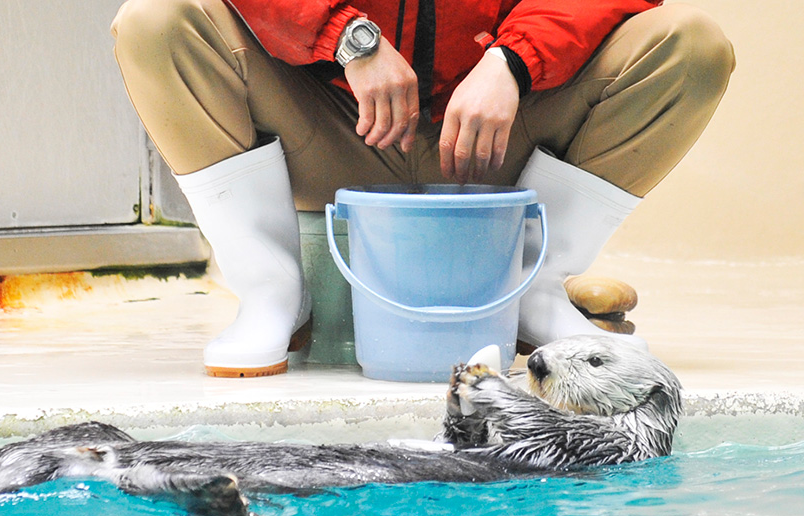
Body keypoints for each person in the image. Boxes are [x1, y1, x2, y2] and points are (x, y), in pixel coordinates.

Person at [111, 0, 734, 378]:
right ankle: (272, 293)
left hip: (494, 129)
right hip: (330, 118)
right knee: (154, 20)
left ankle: (533, 289)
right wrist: (349, 37)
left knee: (692, 45)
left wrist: (513, 60)